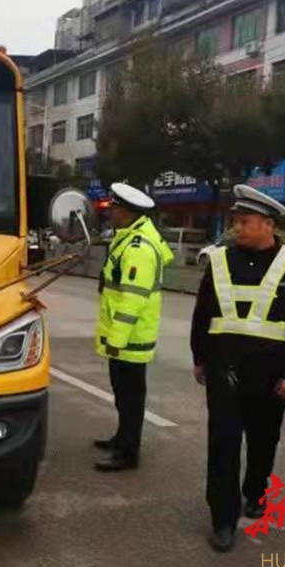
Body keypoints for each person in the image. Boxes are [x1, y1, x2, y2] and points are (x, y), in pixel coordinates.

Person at [190, 185, 285, 552]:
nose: (238, 227)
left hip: (272, 375)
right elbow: (203, 314)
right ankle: (223, 519)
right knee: (222, 444)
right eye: (235, 221)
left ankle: (256, 493)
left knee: (263, 440)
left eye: (245, 222)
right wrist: (200, 358)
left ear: (268, 224)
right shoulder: (220, 260)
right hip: (224, 370)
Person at [93, 182, 174, 472]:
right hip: (125, 336)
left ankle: (128, 453)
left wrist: (116, 337)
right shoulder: (128, 238)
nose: (109, 213)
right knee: (122, 392)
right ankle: (121, 438)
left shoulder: (139, 248)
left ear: (126, 212)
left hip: (130, 337)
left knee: (130, 396)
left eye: (113, 208)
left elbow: (132, 299)